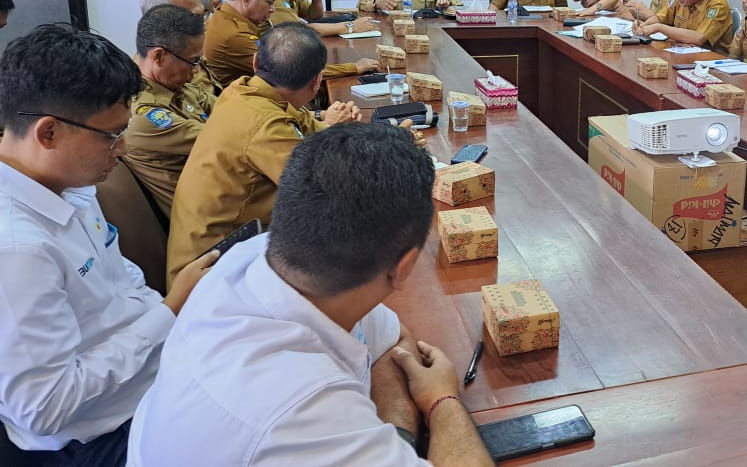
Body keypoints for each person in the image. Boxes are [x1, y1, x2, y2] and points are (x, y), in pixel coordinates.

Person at [128, 124, 494, 467]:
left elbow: (392, 342)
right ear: (405, 266)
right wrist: (441, 400)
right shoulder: (298, 410)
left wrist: (397, 435)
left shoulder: (255, 257)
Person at [0, 24, 216, 463]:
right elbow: (44, 407)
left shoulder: (70, 185)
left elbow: (122, 279)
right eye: (111, 135)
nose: (121, 150)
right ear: (48, 133)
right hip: (101, 434)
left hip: (153, 371)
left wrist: (170, 319)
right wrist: (168, 312)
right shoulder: (18, 248)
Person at [166, 22, 363, 286]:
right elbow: (323, 192)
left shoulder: (244, 89)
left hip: (232, 247)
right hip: (212, 272)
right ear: (317, 82)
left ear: (256, 62)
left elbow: (309, 131)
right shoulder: (265, 124)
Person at [203, 0, 377, 89]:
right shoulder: (233, 34)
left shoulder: (237, 18)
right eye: (269, 2)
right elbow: (289, 69)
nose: (272, 10)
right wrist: (354, 67)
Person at [122, 4, 216, 218]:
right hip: (204, 220)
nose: (197, 70)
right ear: (159, 56)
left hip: (220, 197)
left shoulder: (174, 83)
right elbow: (228, 142)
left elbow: (229, 110)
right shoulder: (144, 114)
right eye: (193, 61)